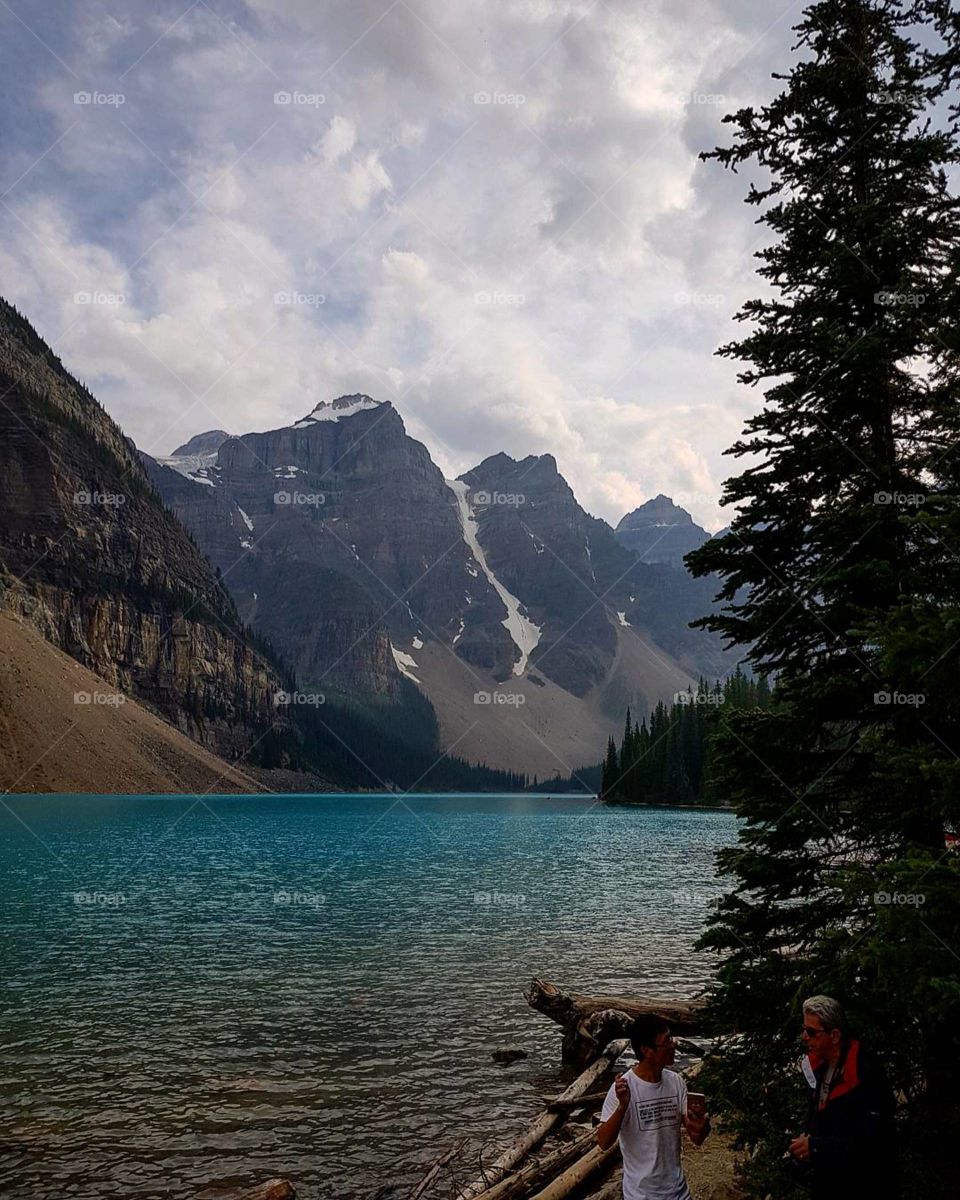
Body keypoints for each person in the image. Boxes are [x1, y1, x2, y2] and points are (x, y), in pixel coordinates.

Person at [788, 994, 898, 1199]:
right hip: (828, 1181)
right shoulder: (817, 1067)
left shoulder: (866, 1074)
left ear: (835, 1035)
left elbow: (872, 1143)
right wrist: (806, 1146)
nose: (804, 1037)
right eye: (804, 1029)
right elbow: (821, 1122)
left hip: (865, 1185)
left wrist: (816, 1147)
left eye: (811, 1032)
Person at [597, 1013, 710, 1200]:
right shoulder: (624, 1088)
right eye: (666, 1041)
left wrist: (702, 1125)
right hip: (640, 1195)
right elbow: (603, 1142)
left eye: (671, 1038)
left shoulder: (676, 1082)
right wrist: (622, 1107)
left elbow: (697, 1138)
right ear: (647, 1050)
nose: (673, 1045)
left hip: (678, 1193)